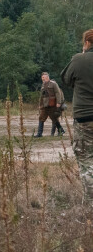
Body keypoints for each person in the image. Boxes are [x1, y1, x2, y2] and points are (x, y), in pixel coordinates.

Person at [61, 28, 93, 202]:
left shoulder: (79, 59)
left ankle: (90, 203)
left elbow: (66, 79)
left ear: (86, 43)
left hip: (84, 118)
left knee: (86, 159)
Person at [34, 72, 65, 137]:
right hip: (45, 105)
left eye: (44, 77)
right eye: (42, 77)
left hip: (52, 104)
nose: (43, 79)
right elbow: (41, 96)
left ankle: (61, 130)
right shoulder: (43, 85)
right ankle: (39, 134)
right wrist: (40, 104)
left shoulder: (53, 84)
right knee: (41, 118)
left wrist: (58, 102)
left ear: (47, 77)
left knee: (54, 118)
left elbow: (58, 93)